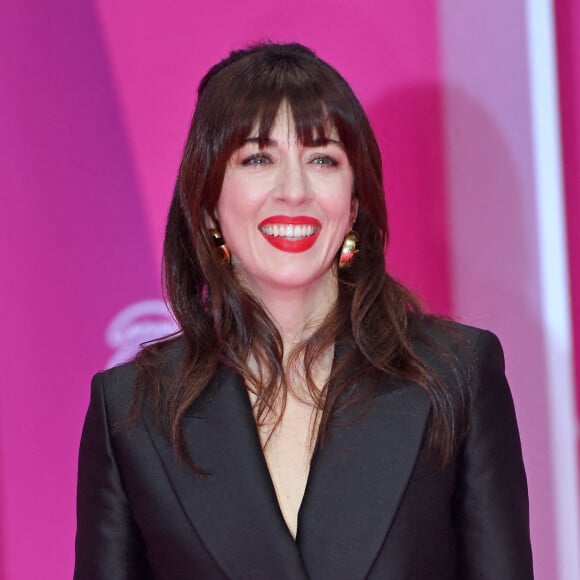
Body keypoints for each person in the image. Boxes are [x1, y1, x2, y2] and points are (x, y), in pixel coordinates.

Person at [74, 42, 533, 579]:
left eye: (322, 159)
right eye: (258, 158)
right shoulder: (132, 410)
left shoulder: (455, 376)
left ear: (355, 201)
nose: (294, 191)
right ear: (208, 204)